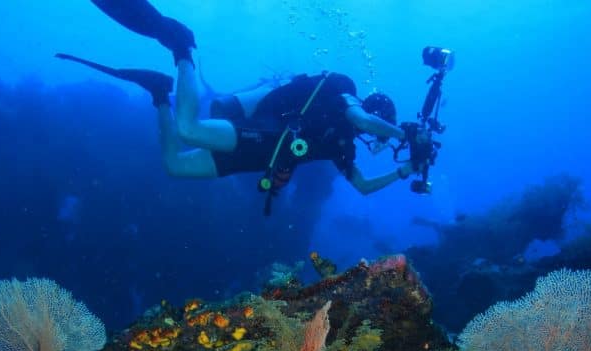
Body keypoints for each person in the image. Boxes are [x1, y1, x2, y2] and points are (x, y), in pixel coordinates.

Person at [58, 0, 422, 204]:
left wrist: (403, 171)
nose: (379, 140)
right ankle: (183, 49)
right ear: (378, 111)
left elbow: (363, 186)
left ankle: (159, 94)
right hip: (261, 132)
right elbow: (361, 119)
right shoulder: (345, 90)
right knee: (190, 130)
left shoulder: (343, 147)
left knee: (174, 165)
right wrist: (405, 137)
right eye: (384, 128)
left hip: (256, 159)